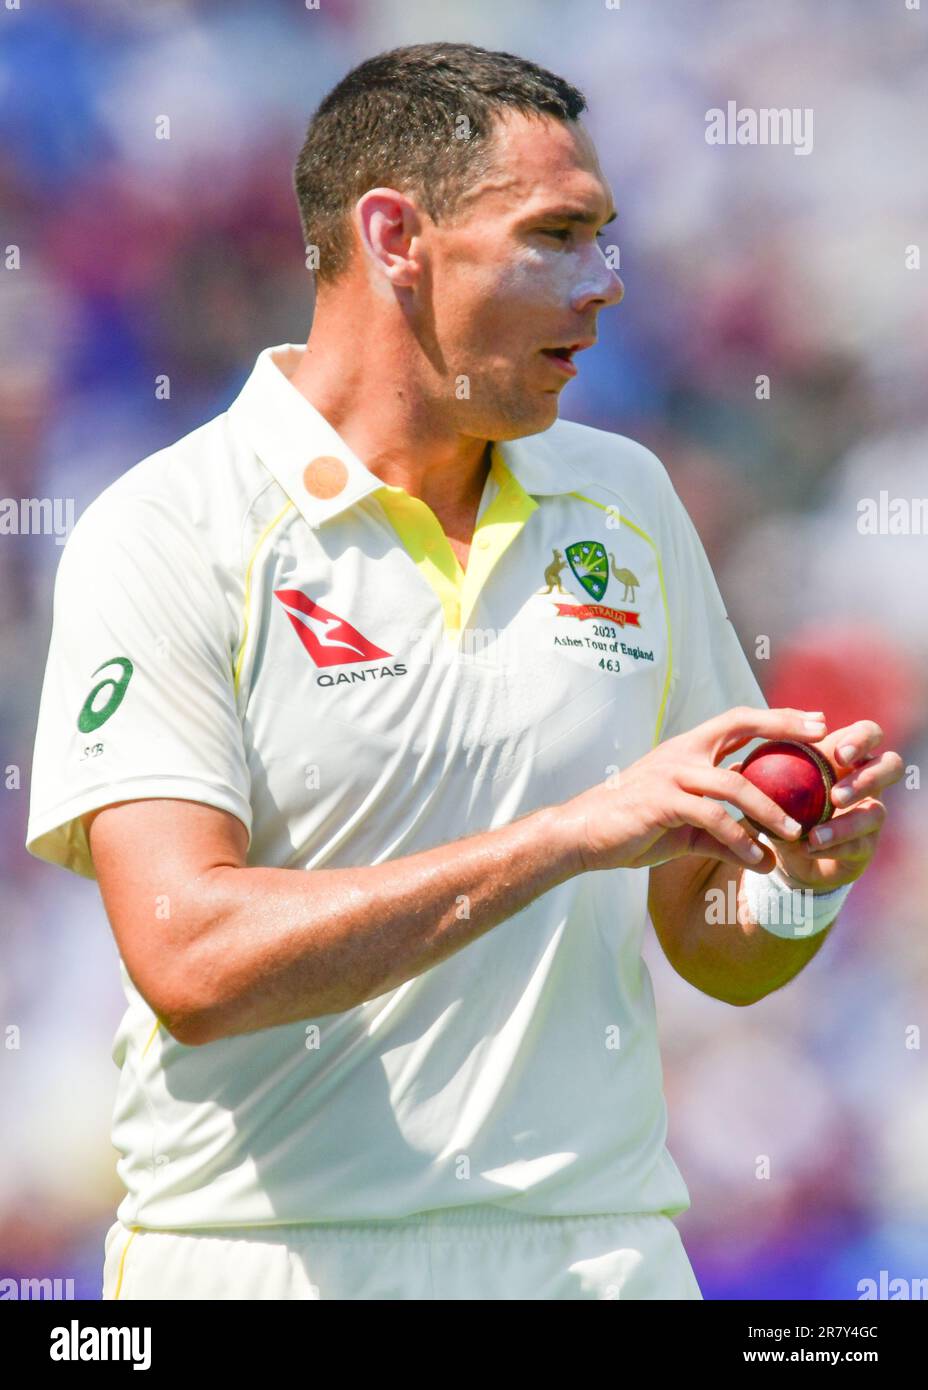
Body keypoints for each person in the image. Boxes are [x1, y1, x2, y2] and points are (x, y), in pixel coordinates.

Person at [25, 42, 901, 1301]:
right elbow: (192, 961)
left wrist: (799, 889)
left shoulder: (627, 496)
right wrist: (568, 835)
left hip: (602, 1252)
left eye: (607, 238)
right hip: (270, 1261)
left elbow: (708, 934)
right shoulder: (167, 527)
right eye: (556, 236)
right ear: (395, 236)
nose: (603, 286)